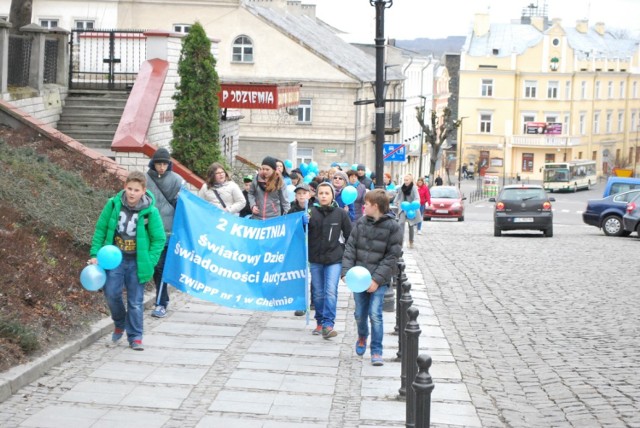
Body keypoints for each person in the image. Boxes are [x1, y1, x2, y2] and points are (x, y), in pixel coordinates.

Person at [88, 171, 166, 351]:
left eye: (136, 190)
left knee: (135, 301)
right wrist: (94, 254)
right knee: (111, 293)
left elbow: (159, 238)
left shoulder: (150, 212)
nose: (132, 193)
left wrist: (150, 261)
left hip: (137, 262)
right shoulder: (113, 204)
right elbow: (101, 229)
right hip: (115, 259)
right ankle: (119, 322)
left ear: (143, 191)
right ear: (125, 187)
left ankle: (135, 337)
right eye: (129, 189)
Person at [341, 189, 402, 366]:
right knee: (360, 314)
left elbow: (392, 256)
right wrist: (346, 272)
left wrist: (376, 280)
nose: (363, 206)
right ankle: (362, 336)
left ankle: (376, 350)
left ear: (375, 206)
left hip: (379, 280)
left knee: (375, 314)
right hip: (359, 277)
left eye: (366, 204)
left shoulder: (393, 227)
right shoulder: (360, 223)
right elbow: (350, 247)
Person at [309, 182, 352, 338]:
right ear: (316, 195)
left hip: (334, 258)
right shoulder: (311, 212)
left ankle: (328, 324)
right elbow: (300, 233)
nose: (324, 196)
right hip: (315, 259)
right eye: (321, 193)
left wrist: (348, 257)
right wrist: (303, 221)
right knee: (318, 293)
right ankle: (319, 321)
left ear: (333, 195)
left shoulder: (340, 213)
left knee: (330, 291)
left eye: (327, 193)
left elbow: (350, 236)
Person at [145, 147, 183, 318]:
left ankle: (161, 302)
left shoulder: (177, 180)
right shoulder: (145, 179)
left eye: (164, 164)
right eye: (159, 163)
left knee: (161, 267)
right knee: (153, 266)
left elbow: (182, 206)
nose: (161, 167)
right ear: (153, 163)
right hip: (149, 231)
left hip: (168, 231)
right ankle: (159, 299)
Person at [288, 182, 313, 317]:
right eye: (299, 194)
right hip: (298, 246)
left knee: (313, 275)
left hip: (312, 245)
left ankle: (314, 301)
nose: (301, 196)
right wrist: (298, 222)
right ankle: (301, 303)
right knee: (300, 276)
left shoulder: (314, 208)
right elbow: (288, 226)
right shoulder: (292, 210)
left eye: (304, 193)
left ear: (309, 194)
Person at [394, 174, 421, 248]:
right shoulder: (401, 188)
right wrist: (395, 202)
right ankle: (400, 241)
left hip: (411, 208)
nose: (405, 181)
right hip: (403, 208)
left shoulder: (414, 188)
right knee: (401, 223)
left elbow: (417, 198)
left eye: (407, 180)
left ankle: (411, 241)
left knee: (411, 225)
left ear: (411, 180)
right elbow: (398, 196)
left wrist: (415, 203)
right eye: (404, 180)